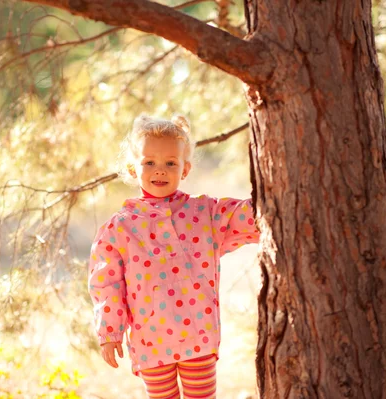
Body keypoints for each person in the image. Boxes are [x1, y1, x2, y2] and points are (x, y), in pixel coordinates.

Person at [88, 114, 260, 399]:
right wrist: (109, 332)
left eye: (170, 163)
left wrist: (281, 197)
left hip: (198, 337)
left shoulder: (203, 212)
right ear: (133, 168)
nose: (160, 171)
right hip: (151, 340)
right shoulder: (120, 228)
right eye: (149, 163)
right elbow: (106, 283)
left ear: (185, 169)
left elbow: (244, 217)